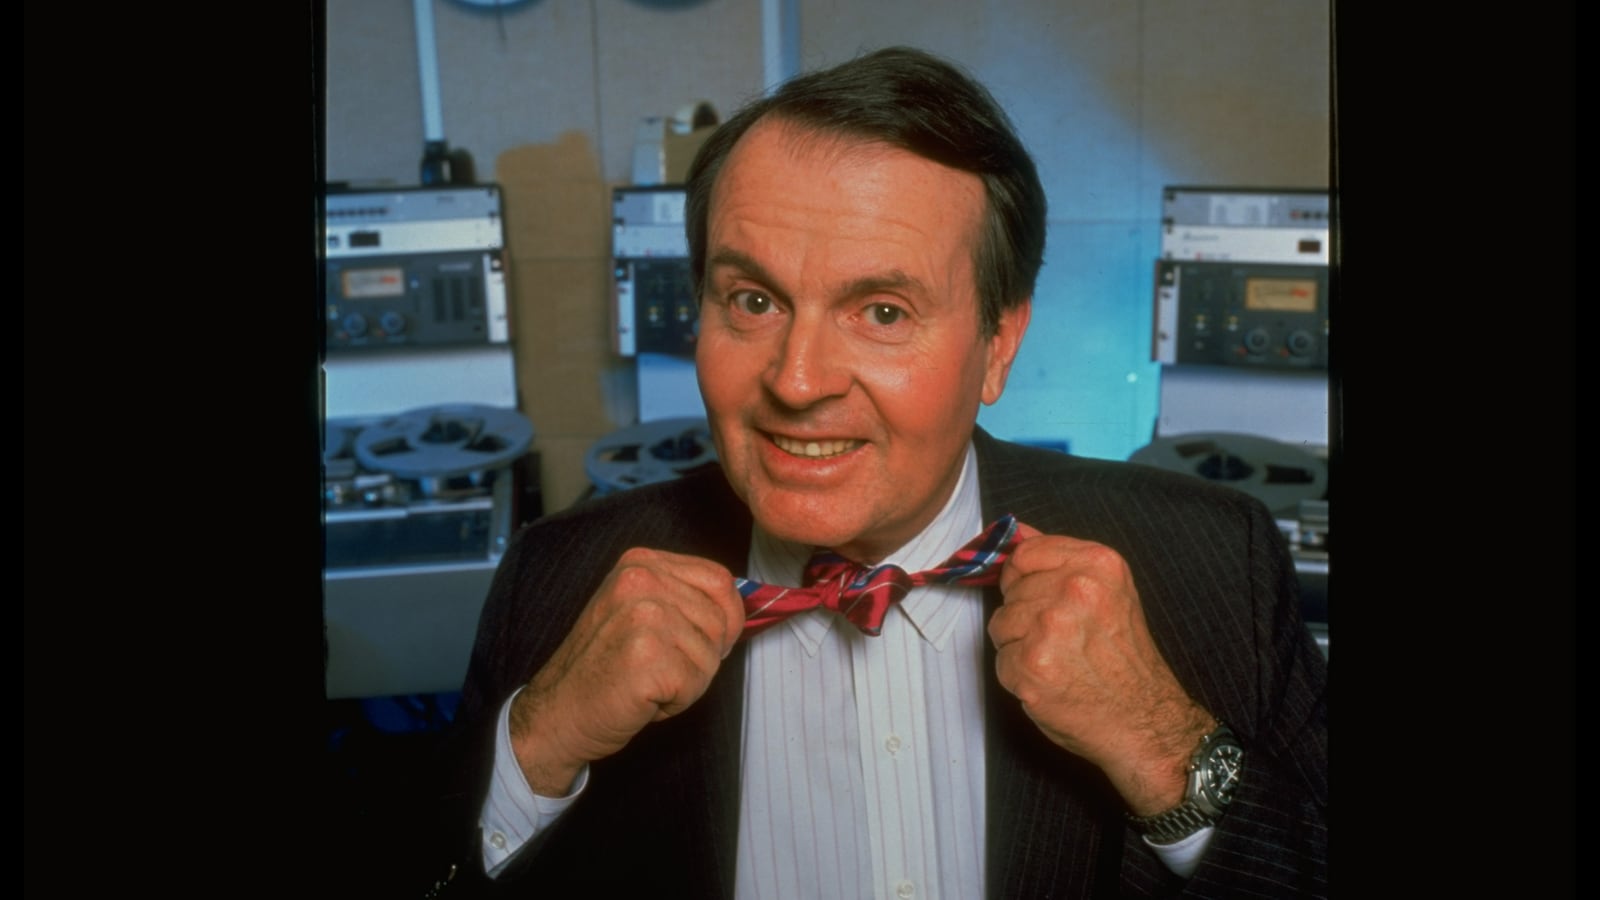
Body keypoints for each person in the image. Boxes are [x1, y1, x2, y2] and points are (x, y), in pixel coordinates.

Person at [417, 45, 1328, 899]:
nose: (797, 381)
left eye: (883, 311)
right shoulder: (553, 578)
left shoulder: (1218, 564)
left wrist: (1165, 750)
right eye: (753, 299)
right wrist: (537, 748)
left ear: (999, 343)